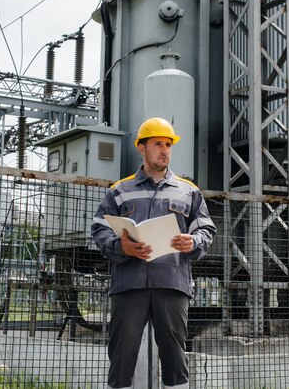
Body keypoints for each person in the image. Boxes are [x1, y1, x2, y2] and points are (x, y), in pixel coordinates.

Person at [91, 117, 217, 389]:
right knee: (122, 355)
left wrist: (193, 242)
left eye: (169, 144)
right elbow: (100, 230)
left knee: (174, 355)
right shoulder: (119, 191)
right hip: (129, 283)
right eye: (158, 143)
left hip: (171, 283)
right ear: (142, 148)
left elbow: (206, 229)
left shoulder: (189, 191)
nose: (165, 150)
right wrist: (120, 247)